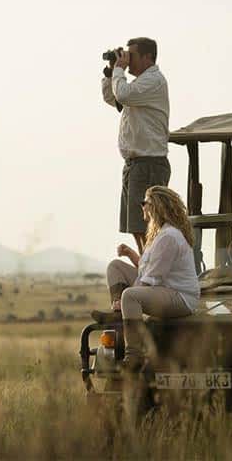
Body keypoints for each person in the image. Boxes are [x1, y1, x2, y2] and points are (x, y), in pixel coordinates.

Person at [91, 186, 200, 371]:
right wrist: (130, 253)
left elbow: (153, 277)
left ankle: (134, 355)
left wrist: (130, 293)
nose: (141, 207)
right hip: (164, 287)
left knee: (130, 296)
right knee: (115, 267)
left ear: (155, 206)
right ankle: (118, 311)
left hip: (180, 297)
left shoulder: (169, 237)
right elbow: (147, 268)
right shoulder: (161, 234)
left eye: (144, 203)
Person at [101, 37, 170, 254]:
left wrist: (120, 70)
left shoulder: (154, 81)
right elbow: (112, 98)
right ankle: (147, 267)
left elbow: (123, 94)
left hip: (149, 163)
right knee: (136, 226)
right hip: (135, 164)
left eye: (132, 55)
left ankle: (151, 270)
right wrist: (111, 72)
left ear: (148, 57)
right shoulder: (139, 86)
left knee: (148, 225)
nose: (128, 61)